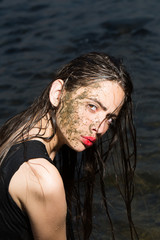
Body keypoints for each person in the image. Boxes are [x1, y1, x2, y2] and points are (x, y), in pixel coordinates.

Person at [0, 52, 138, 240]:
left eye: (110, 119)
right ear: (58, 94)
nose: (99, 128)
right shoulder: (43, 179)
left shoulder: (17, 129)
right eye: (92, 106)